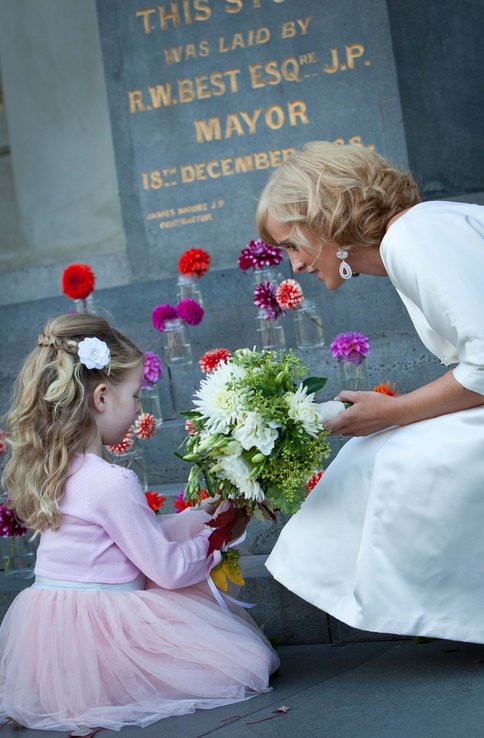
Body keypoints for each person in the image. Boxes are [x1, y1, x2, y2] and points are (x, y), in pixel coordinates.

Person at [0, 314, 278, 735]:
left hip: (51, 631)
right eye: (135, 395)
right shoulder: (112, 481)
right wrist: (214, 536)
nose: (139, 408)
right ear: (101, 397)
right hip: (102, 631)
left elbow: (120, 540)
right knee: (247, 663)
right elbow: (167, 569)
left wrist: (194, 517)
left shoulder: (61, 471)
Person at [256, 140, 484, 643]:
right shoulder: (415, 235)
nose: (294, 266)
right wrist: (391, 416)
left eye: (291, 244)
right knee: (371, 451)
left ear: (325, 219)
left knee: (403, 454)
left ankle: (451, 609)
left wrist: (396, 411)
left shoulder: (415, 236)